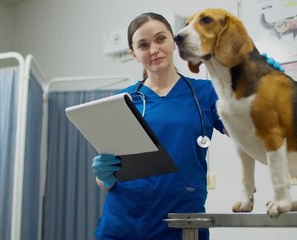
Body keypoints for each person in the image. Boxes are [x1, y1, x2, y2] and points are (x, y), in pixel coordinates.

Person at [92, 12, 283, 240]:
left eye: (161, 39)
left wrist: (263, 89)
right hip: (124, 225)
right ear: (134, 54)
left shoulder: (208, 92)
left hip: (184, 224)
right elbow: (105, 178)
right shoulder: (122, 99)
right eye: (143, 45)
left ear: (173, 41)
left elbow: (251, 135)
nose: (154, 50)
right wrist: (104, 175)